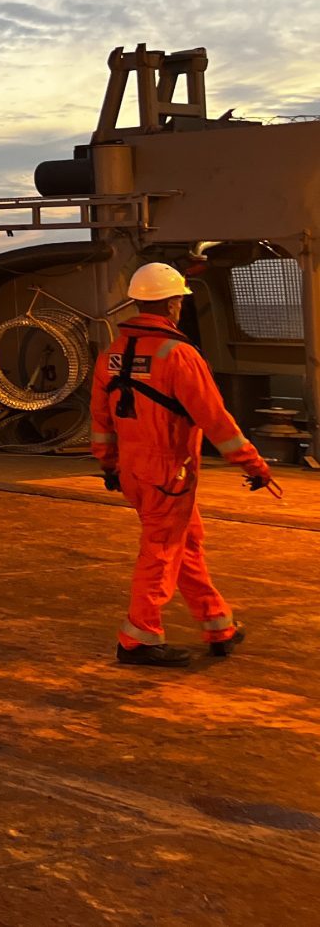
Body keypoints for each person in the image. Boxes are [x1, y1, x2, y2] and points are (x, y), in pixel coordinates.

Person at [91, 261, 280, 667]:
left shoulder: (111, 354)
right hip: (169, 471)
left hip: (133, 471)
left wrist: (109, 465)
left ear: (138, 302)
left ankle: (217, 626)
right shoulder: (178, 355)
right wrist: (253, 465)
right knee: (160, 551)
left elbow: (100, 420)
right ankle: (137, 640)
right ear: (174, 303)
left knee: (186, 544)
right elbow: (216, 420)